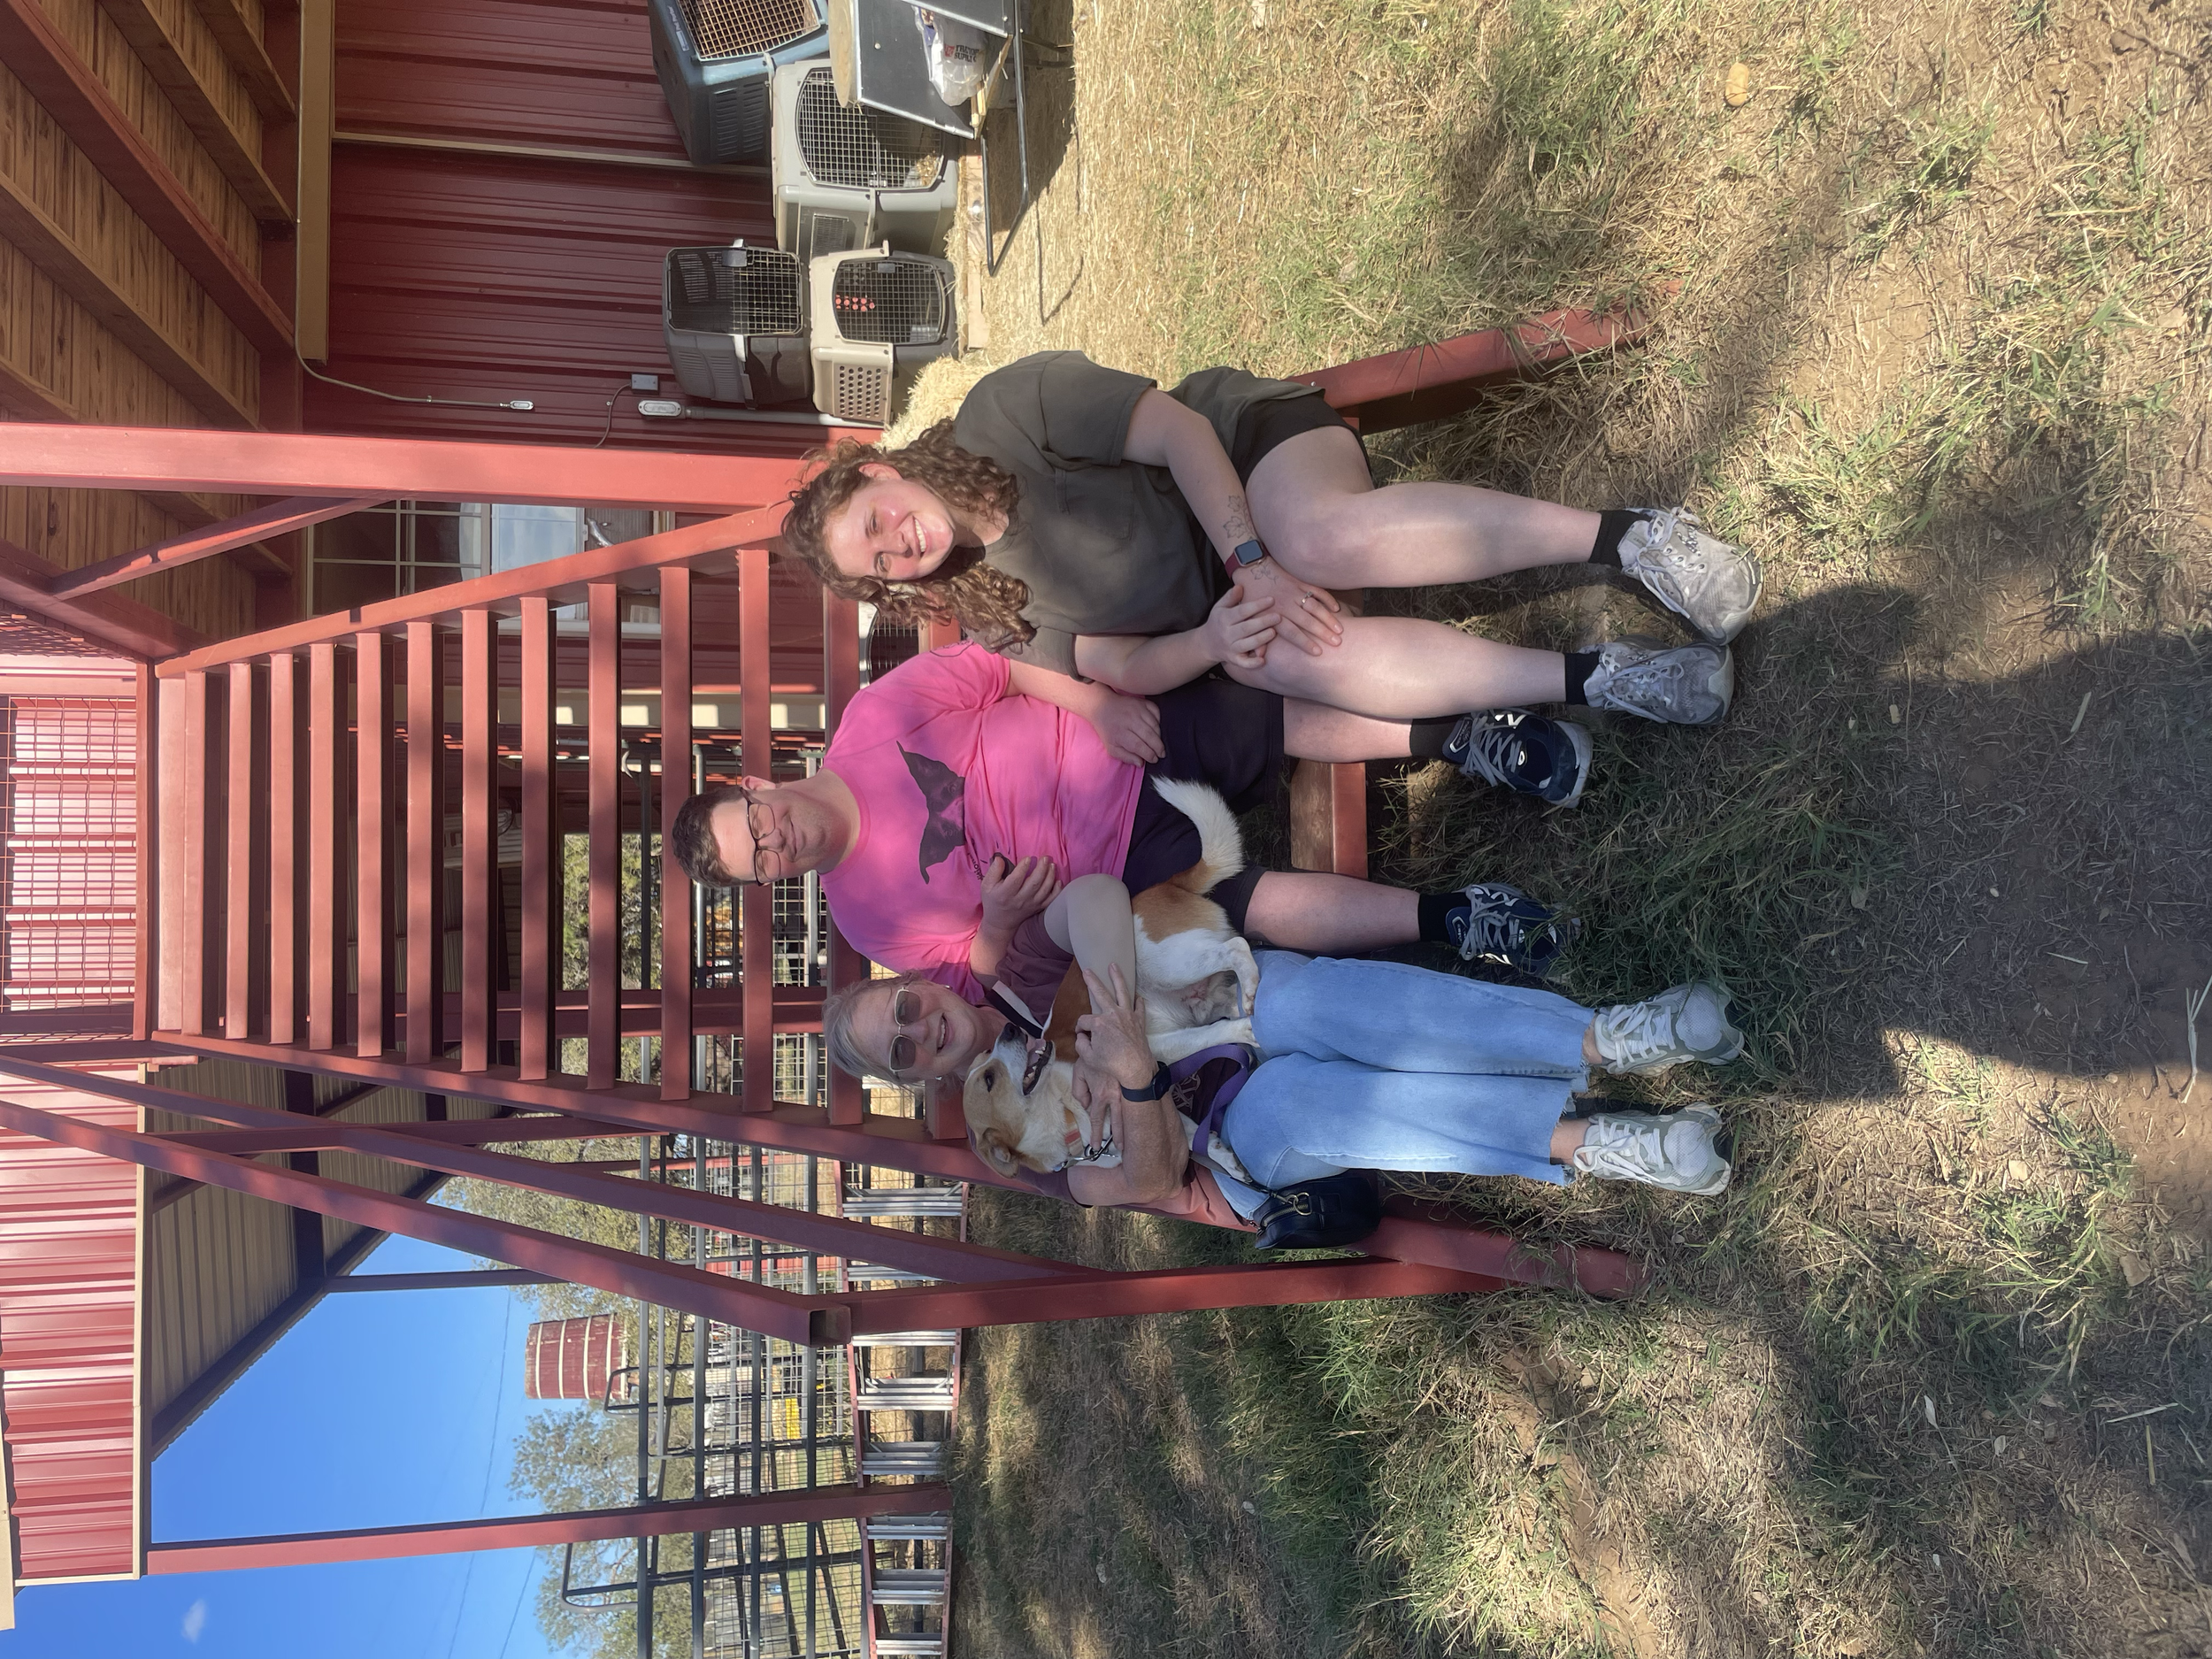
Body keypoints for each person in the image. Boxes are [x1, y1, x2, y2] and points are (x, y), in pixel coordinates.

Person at [779, 351, 1763, 805]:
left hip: (1249, 459)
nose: (900, 544)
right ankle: (1601, 679)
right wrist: (1214, 638)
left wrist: (1251, 561)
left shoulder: (1003, 413)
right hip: (1228, 600)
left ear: (878, 470)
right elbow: (1117, 660)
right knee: (1281, 658)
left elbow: (1177, 429)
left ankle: (1631, 537)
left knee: (1319, 540)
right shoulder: (983, 604)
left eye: (878, 523)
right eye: (881, 564)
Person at [669, 642, 1579, 1008]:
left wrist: (1099, 704)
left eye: (759, 821)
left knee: (1257, 720)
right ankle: (1457, 917)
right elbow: (977, 987)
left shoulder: (872, 718)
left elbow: (1000, 667)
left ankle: (1455, 738)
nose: (778, 841)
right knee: (1242, 907)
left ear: (755, 782)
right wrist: (991, 927)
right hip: (1117, 874)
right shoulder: (866, 921)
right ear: (768, 885)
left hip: (1119, 745)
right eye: (763, 864)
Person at [823, 939, 1746, 1211]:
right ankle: (1599, 1143)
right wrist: (1137, 1080)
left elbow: (1101, 905)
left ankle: (1605, 1040)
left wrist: (1087, 1004)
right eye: (899, 1052)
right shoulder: (1006, 1142)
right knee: (1305, 1096)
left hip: (1228, 1003)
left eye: (902, 1007)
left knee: (1316, 1009)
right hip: (1227, 1134)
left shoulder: (1010, 964)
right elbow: (1139, 1182)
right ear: (913, 1083)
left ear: (916, 983)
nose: (920, 1031)